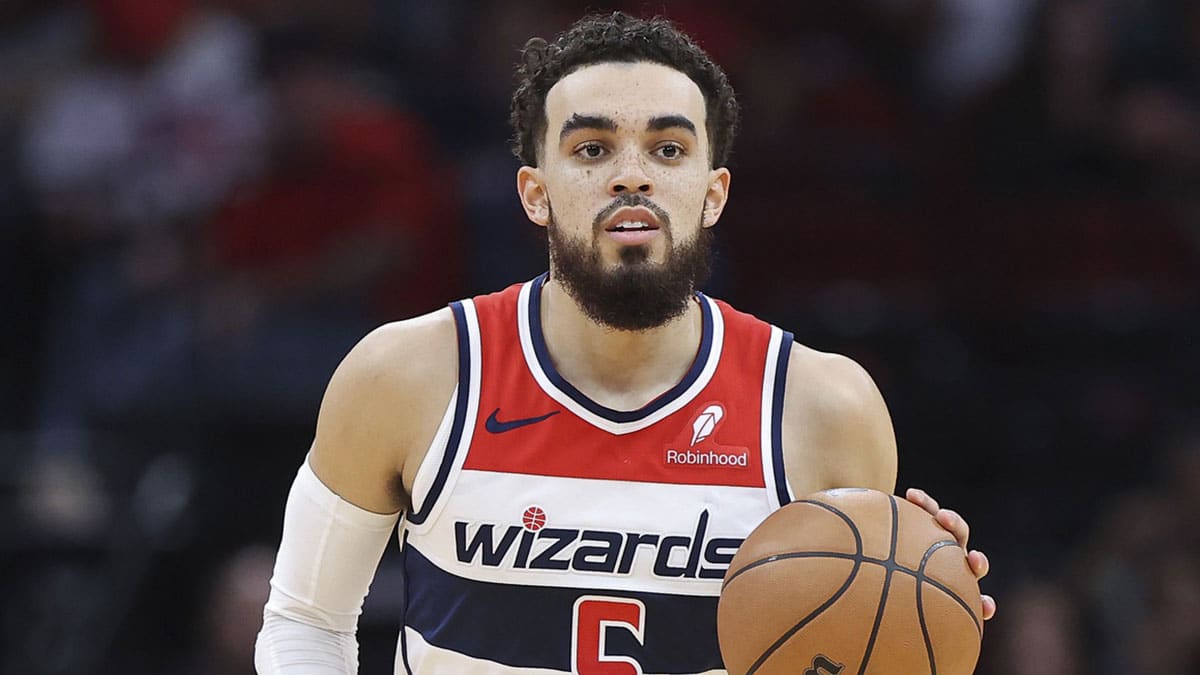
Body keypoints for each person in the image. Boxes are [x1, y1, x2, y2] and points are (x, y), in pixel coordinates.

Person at [254, 11, 995, 674]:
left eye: (669, 149)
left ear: (714, 192)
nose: (631, 175)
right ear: (535, 191)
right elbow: (305, 622)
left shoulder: (825, 405)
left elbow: (841, 656)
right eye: (592, 149)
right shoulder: (408, 372)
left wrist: (919, 598)